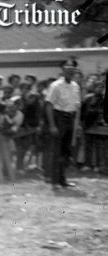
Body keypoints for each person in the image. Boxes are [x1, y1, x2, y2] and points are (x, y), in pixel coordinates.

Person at [45, 58, 81, 190]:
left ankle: (62, 180)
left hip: (71, 118)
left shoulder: (75, 86)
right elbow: (49, 105)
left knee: (66, 151)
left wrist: (77, 124)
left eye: (72, 69)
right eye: (67, 68)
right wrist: (52, 125)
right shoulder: (55, 85)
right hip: (59, 118)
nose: (70, 71)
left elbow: (76, 106)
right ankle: (54, 182)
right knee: (56, 151)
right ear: (63, 69)